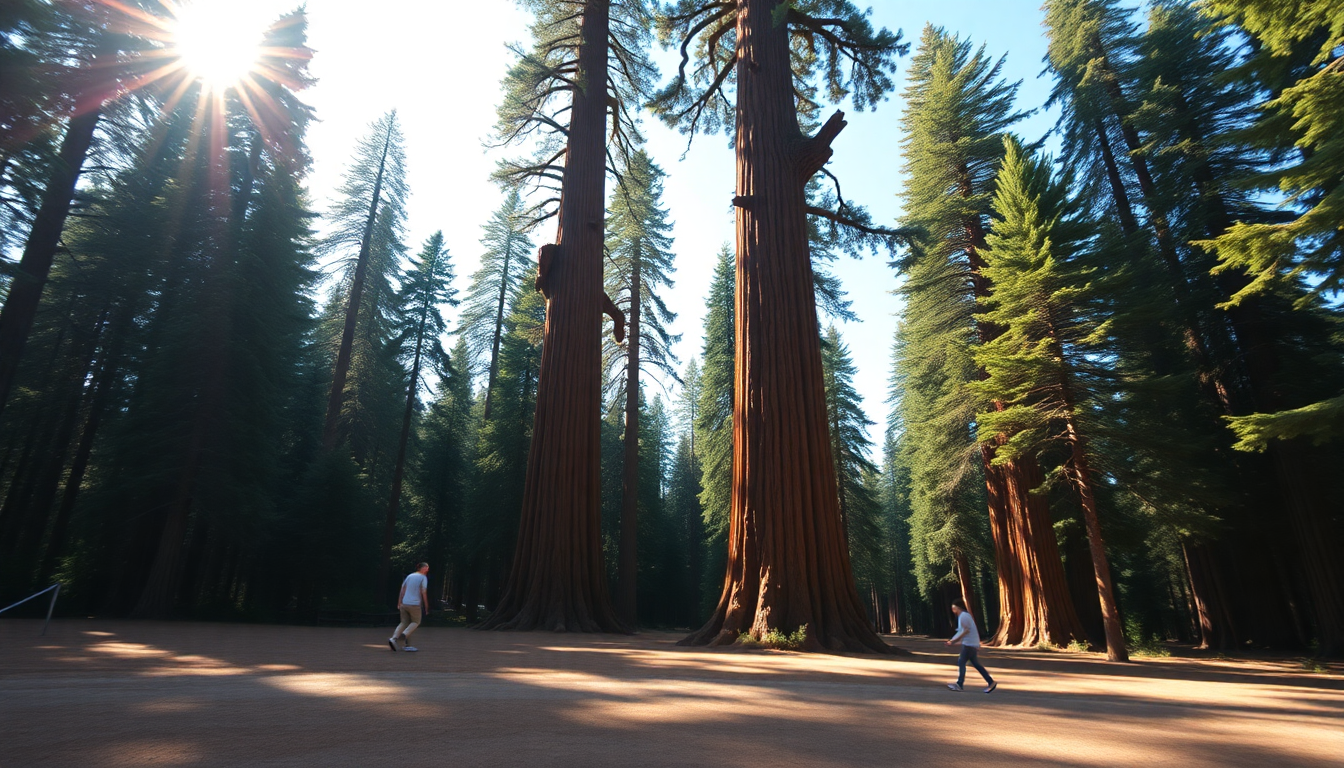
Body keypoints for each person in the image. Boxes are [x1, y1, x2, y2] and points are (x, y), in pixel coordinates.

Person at [945, 599, 996, 693]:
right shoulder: (964, 616)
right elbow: (962, 632)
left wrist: (953, 641)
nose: (952, 610)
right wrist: (953, 641)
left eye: (953, 608)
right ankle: (990, 682)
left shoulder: (964, 616)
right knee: (976, 664)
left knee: (961, 662)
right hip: (970, 644)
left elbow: (965, 631)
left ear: (957, 607)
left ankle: (959, 684)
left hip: (969, 645)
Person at [389, 563, 430, 652]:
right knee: (416, 622)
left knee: (404, 622)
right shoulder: (423, 578)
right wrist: (426, 606)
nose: (427, 569)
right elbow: (424, 592)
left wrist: (399, 602)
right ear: (422, 568)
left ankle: (394, 639)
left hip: (404, 603)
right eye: (426, 567)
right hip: (414, 604)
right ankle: (404, 635)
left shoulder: (410, 576)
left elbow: (402, 589)